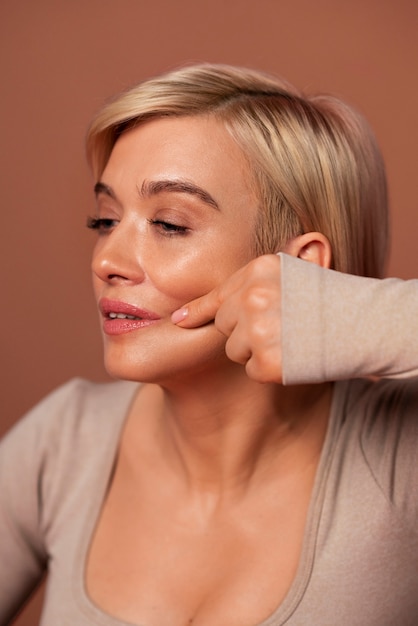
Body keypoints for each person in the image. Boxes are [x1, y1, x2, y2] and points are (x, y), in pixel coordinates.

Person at [1, 63, 417, 626]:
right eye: (105, 219)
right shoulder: (64, 443)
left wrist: (364, 315)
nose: (106, 262)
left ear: (300, 270)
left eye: (169, 224)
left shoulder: (399, 460)